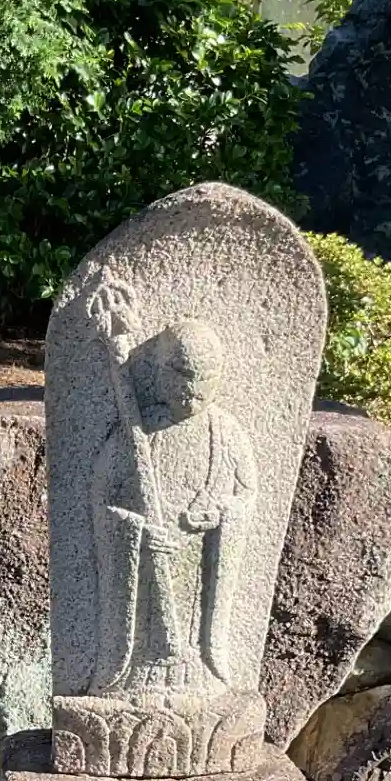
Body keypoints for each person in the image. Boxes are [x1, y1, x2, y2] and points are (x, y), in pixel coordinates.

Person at [87, 291, 258, 697]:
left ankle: (202, 666)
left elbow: (247, 494)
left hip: (197, 568)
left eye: (203, 384)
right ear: (161, 375)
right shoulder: (138, 432)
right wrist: (136, 531)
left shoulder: (226, 434)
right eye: (182, 380)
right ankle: (134, 673)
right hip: (146, 569)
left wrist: (223, 514)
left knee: (194, 647)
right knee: (147, 636)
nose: (191, 394)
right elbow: (101, 498)